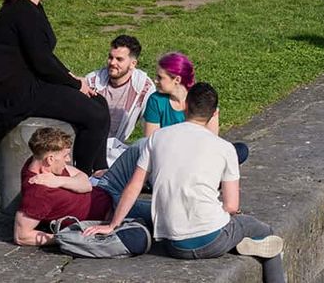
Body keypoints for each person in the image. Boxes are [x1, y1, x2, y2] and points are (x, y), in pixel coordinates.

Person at [88, 83, 287, 283]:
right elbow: (232, 206)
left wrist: (113, 224)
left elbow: (134, 186)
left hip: (171, 243)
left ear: (185, 106)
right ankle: (245, 245)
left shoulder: (157, 138)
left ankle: (237, 242)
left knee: (145, 208)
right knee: (265, 233)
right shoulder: (225, 148)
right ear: (215, 113)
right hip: (212, 240)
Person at [0, 0, 111, 173]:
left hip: (31, 82)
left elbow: (43, 55)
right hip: (15, 94)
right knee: (94, 114)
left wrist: (69, 75)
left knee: (99, 103)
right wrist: (75, 85)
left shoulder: (32, 8)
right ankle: (84, 176)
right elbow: (42, 62)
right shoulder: (21, 12)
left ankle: (100, 170)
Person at [12, 127, 152, 248]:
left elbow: (85, 182)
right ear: (50, 159)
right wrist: (65, 238)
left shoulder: (39, 163)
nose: (68, 159)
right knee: (162, 212)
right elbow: (21, 236)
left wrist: (59, 181)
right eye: (65, 155)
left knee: (144, 145)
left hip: (104, 188)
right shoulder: (38, 193)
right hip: (113, 211)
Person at [82, 35, 155, 166]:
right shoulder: (92, 81)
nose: (112, 63)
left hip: (117, 149)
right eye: (110, 57)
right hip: (88, 146)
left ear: (133, 64)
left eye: (119, 59)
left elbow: (152, 126)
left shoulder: (144, 87)